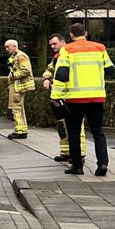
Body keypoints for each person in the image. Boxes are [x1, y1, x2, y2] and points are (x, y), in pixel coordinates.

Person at [51, 23, 114, 176]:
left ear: (71, 35)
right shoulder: (100, 48)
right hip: (97, 97)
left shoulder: (67, 49)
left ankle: (77, 166)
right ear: (85, 33)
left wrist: (55, 96)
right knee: (98, 131)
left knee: (74, 131)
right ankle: (103, 164)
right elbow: (110, 70)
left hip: (75, 99)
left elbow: (60, 75)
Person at [41, 32, 84, 164]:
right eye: (51, 45)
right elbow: (49, 70)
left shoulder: (71, 54)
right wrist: (47, 79)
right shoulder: (56, 57)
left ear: (62, 42)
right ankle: (66, 151)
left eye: (54, 43)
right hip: (59, 96)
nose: (52, 46)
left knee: (77, 126)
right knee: (62, 124)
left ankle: (79, 154)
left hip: (72, 95)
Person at [3, 39, 35, 140]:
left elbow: (26, 70)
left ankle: (20, 131)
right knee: (17, 108)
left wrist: (13, 76)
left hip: (18, 87)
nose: (6, 49)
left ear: (14, 46)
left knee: (15, 108)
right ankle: (21, 129)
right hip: (16, 86)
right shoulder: (15, 56)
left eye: (8, 47)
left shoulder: (21, 56)